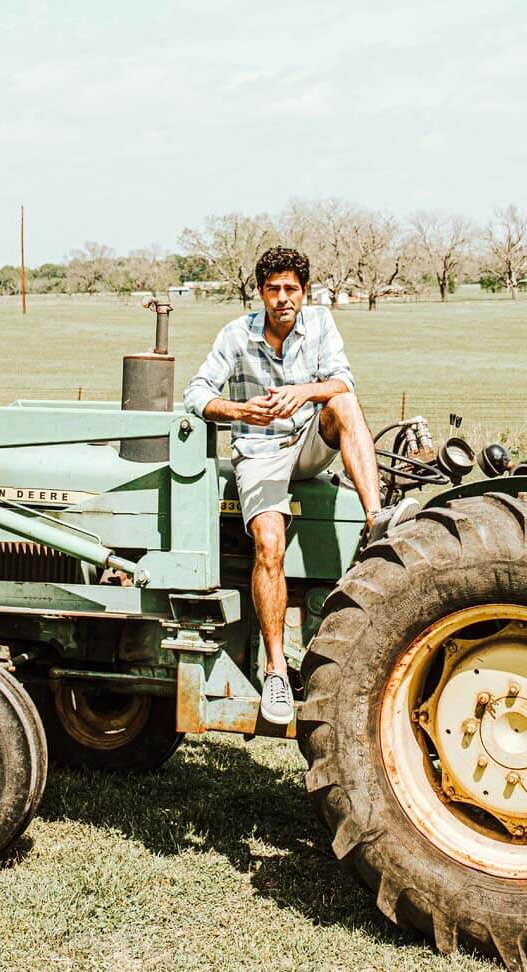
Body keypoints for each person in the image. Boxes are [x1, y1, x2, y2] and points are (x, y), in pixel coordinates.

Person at [184, 246, 419, 725]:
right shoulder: (235, 334)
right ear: (260, 293)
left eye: (291, 288)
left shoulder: (320, 324)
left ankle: (376, 520)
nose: (282, 298)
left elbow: (341, 381)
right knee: (268, 544)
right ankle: (275, 670)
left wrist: (303, 393)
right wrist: (238, 411)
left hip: (307, 443)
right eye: (273, 289)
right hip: (260, 452)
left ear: (304, 292)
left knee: (345, 405)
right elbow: (196, 393)